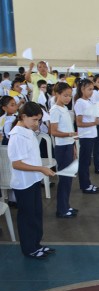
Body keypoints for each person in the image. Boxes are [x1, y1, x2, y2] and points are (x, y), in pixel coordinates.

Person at [7, 102, 56, 259]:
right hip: (24, 183)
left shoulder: (27, 131)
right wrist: (41, 169)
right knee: (27, 217)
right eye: (34, 120)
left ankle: (36, 244)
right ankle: (29, 249)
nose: (37, 124)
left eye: (39, 120)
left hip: (33, 180)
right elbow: (17, 164)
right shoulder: (16, 136)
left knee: (36, 214)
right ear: (23, 117)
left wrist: (40, 170)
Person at [49, 82, 78, 218]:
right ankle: (61, 209)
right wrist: (69, 135)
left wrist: (73, 144)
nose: (68, 98)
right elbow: (53, 131)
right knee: (65, 179)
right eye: (65, 95)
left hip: (68, 145)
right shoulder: (55, 110)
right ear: (57, 94)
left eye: (70, 96)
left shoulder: (64, 108)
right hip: (62, 147)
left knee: (68, 178)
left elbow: (68, 128)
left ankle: (66, 206)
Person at [74, 79, 99, 194]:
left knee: (87, 161)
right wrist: (93, 123)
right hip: (86, 136)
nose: (91, 92)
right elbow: (79, 123)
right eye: (89, 89)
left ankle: (88, 183)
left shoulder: (89, 101)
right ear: (82, 89)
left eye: (92, 89)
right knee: (84, 161)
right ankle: (85, 186)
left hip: (91, 134)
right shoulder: (80, 102)